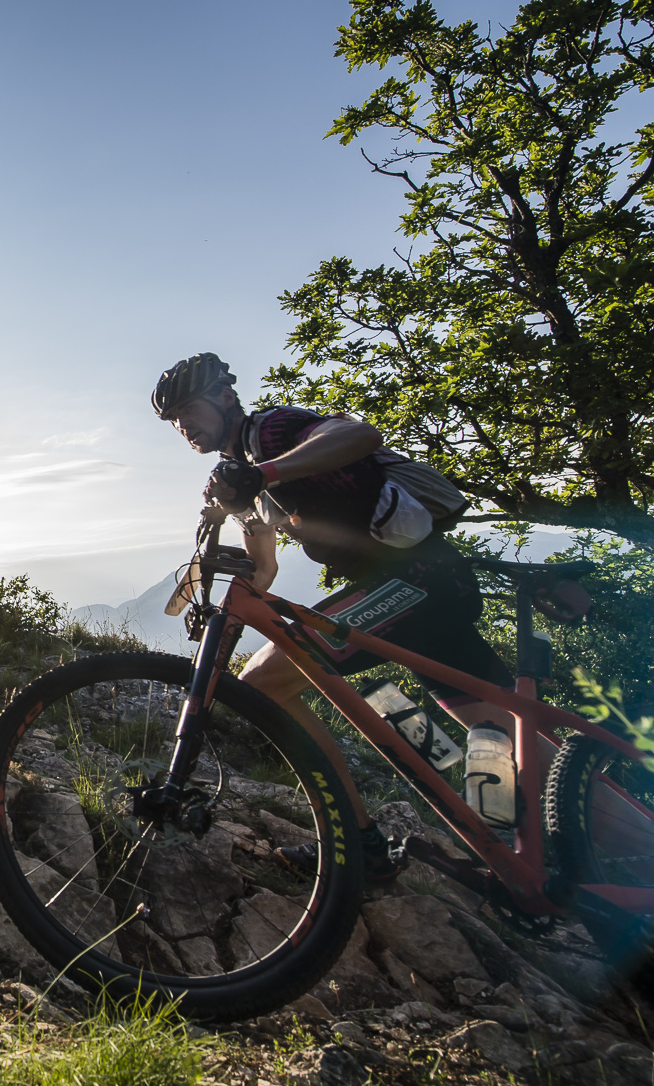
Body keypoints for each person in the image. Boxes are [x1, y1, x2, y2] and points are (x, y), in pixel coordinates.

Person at [153, 352, 509, 882]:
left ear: (226, 397)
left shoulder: (272, 433)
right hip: (425, 590)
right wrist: (220, 608)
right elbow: (264, 569)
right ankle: (635, 872)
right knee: (511, 735)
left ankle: (357, 845)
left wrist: (261, 472)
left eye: (190, 408)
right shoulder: (240, 474)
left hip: (413, 581)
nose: (184, 425)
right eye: (175, 419)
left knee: (266, 684)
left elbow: (360, 435)